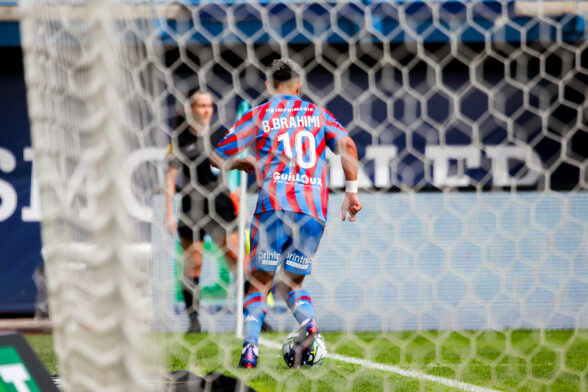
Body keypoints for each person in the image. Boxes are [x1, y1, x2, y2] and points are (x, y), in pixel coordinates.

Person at [211, 59, 362, 368]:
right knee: (290, 284)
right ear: (299, 85)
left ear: (268, 85)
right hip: (311, 210)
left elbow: (216, 156)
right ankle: (309, 324)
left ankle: (250, 350)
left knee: (260, 283)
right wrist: (351, 192)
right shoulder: (317, 115)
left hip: (273, 207)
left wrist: (242, 163)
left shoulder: (260, 114)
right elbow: (347, 144)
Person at [165, 90, 241, 333]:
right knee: (193, 263)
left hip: (221, 204)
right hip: (192, 205)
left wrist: (238, 191)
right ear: (191, 109)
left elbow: (238, 164)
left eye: (210, 105)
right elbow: (170, 178)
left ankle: (254, 316)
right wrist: (168, 212)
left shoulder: (221, 134)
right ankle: (194, 321)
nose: (207, 110)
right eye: (201, 105)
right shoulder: (179, 139)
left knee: (238, 260)